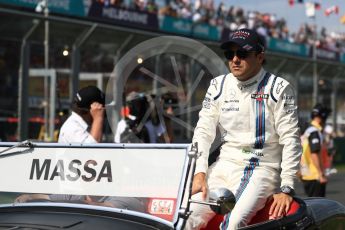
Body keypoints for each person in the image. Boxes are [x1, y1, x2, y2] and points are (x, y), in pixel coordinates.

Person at [185, 28, 302, 230]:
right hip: (223, 165)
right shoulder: (217, 85)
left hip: (261, 168)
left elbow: (291, 139)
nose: (235, 59)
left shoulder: (279, 88)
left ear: (260, 56)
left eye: (242, 53)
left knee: (234, 223)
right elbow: (203, 131)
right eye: (230, 54)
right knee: (185, 218)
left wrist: (287, 188)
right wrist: (200, 172)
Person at [300, 104, 331, 197]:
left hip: (306, 174)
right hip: (314, 175)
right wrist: (321, 174)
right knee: (319, 207)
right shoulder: (314, 131)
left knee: (312, 205)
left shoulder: (306, 130)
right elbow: (314, 154)